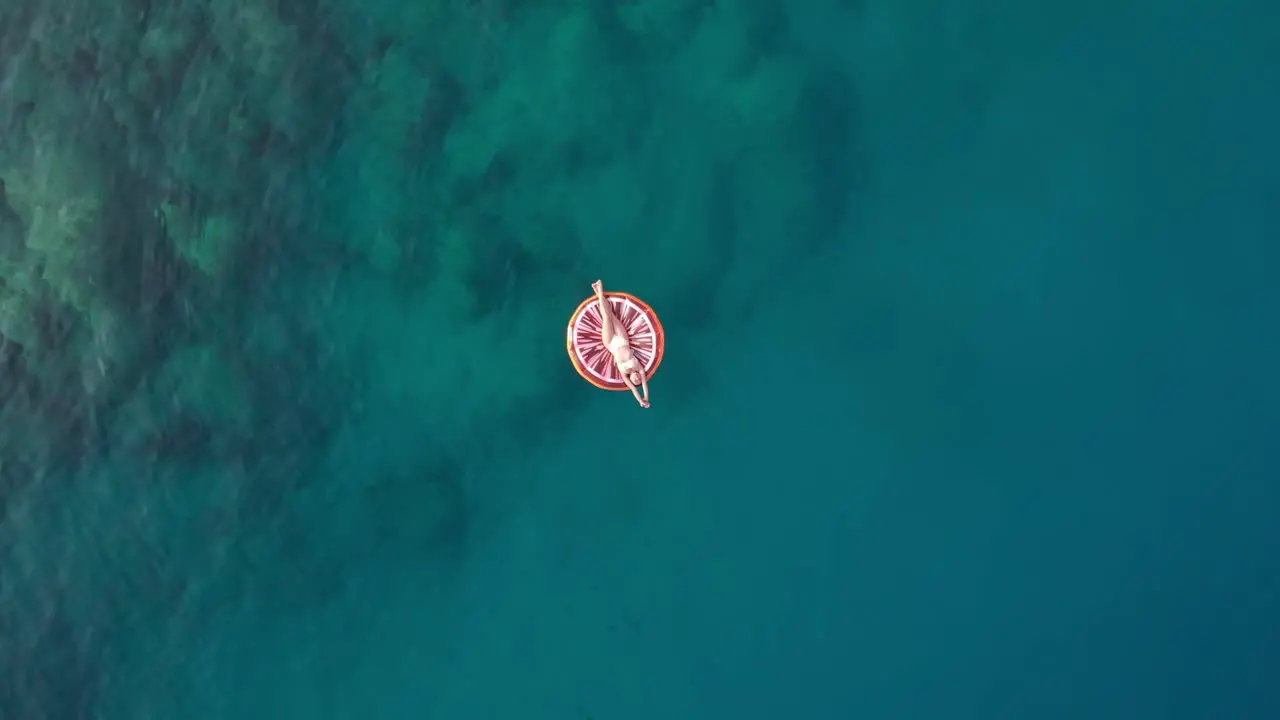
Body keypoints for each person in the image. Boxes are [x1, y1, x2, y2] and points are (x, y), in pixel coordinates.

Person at [593, 280, 650, 408]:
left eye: (635, 381)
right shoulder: (639, 367)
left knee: (606, 318)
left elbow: (634, 390)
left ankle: (600, 290)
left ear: (631, 380)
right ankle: (598, 292)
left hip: (611, 343)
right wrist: (646, 397)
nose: (637, 380)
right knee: (611, 316)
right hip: (623, 339)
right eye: (639, 380)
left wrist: (640, 400)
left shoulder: (624, 374)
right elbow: (644, 386)